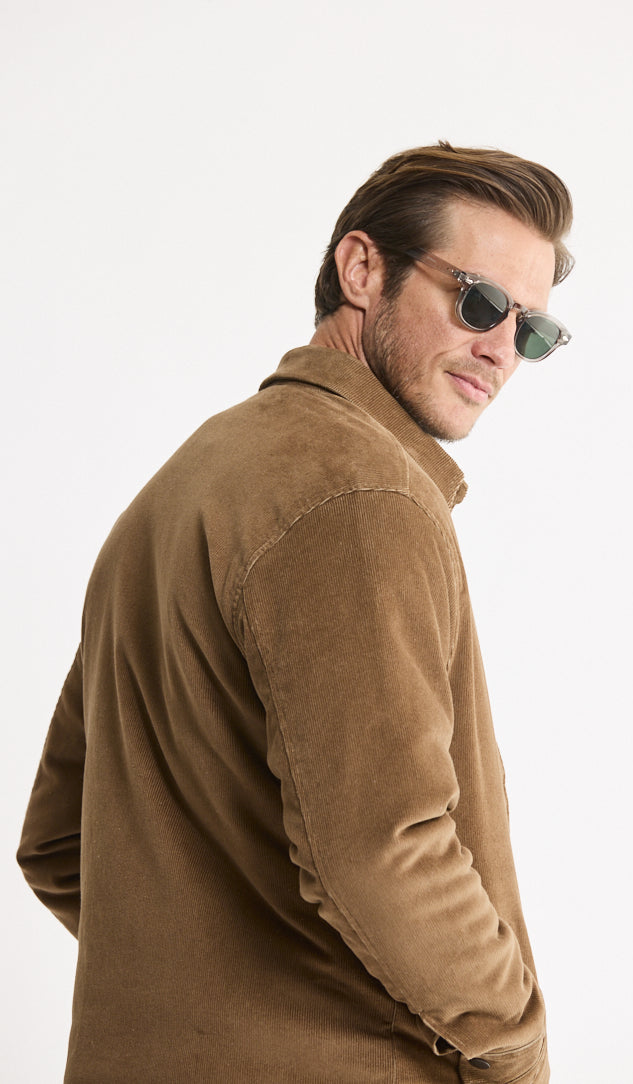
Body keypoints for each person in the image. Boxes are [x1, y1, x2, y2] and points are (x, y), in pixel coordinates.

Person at [18, 142, 573, 1084]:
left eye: (532, 331)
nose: (499, 350)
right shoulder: (360, 492)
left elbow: (61, 843)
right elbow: (387, 854)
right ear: (361, 269)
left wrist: (210, 977)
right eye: (480, 303)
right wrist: (514, 1050)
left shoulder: (185, 483)